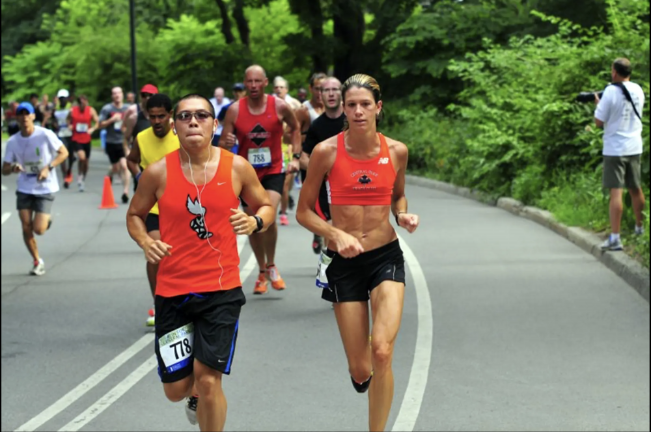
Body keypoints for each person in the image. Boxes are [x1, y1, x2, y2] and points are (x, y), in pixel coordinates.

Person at [126, 93, 275, 432]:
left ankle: (204, 389)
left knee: (209, 381)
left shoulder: (236, 166)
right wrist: (146, 241)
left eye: (202, 115)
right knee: (175, 390)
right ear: (175, 127)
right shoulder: (157, 173)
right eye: (185, 116)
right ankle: (191, 387)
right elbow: (135, 214)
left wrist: (255, 222)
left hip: (221, 290)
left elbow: (264, 205)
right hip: (172, 290)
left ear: (214, 124)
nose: (193, 121)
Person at [296, 74, 420, 432]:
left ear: (378, 108)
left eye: (366, 104)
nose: (358, 110)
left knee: (382, 350)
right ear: (342, 109)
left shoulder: (396, 151)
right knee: (361, 368)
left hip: (385, 256)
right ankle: (362, 372)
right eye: (352, 105)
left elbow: (398, 194)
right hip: (344, 263)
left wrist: (402, 214)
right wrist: (335, 233)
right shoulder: (326, 152)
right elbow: (304, 212)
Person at [220, 65, 302, 295]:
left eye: (258, 81)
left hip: (274, 169)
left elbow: (296, 128)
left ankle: (272, 264)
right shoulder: (235, 110)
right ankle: (262, 271)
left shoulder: (279, 106)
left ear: (265, 82)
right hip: (247, 174)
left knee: (267, 217)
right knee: (254, 225)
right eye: (250, 82)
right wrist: (225, 143)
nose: (254, 86)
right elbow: (223, 144)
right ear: (244, 84)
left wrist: (295, 155)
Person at [126, 94, 180, 327]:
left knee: (181, 256)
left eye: (161, 116)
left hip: (182, 205)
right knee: (156, 251)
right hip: (154, 206)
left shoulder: (182, 135)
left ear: (170, 116)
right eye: (152, 116)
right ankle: (159, 305)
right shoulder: (141, 137)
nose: (157, 121)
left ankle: (183, 302)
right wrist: (139, 175)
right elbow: (131, 160)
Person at [2, 102, 69, 276]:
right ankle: (37, 260)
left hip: (45, 187)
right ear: (16, 118)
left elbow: (64, 153)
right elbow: (4, 169)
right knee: (26, 227)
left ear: (33, 116)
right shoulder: (13, 141)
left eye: (27, 114)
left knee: (38, 229)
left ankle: (47, 220)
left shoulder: (45, 134)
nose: (24, 117)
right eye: (20, 114)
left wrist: (49, 167)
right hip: (24, 187)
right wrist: (14, 168)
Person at [595, 58, 646, 251]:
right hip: (634, 146)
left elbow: (599, 122)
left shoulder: (610, 91)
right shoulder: (639, 90)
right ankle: (640, 229)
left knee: (616, 191)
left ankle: (615, 238)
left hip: (615, 148)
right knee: (635, 188)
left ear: (615, 72)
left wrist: (598, 105)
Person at [301, 76, 345, 255]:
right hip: (326, 188)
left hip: (353, 183)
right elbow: (303, 158)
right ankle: (330, 267)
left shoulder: (353, 121)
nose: (331, 94)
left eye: (335, 89)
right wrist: (321, 170)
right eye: (327, 90)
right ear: (321, 94)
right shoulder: (317, 126)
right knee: (331, 228)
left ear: (342, 93)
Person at [273, 76, 303, 226]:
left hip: (287, 148)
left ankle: (283, 213)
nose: (278, 90)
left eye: (281, 87)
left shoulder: (294, 105)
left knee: (285, 186)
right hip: (271, 148)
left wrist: (295, 151)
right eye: (276, 87)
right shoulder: (268, 104)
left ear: (287, 89)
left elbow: (298, 128)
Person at [98, 86, 131, 203]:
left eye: (119, 93)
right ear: (112, 96)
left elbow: (133, 122)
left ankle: (125, 192)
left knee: (125, 165)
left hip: (124, 142)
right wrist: (111, 120)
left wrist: (127, 128)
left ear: (122, 94)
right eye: (114, 93)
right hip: (111, 142)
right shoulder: (107, 109)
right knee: (115, 167)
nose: (117, 95)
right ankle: (109, 176)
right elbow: (100, 124)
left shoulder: (128, 108)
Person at [124, 84, 160, 191]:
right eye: (144, 95)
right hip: (141, 164)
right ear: (141, 97)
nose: (147, 98)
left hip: (158, 161)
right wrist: (127, 151)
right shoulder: (134, 117)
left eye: (151, 95)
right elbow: (125, 138)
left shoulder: (164, 119)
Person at [68, 95, 99, 192]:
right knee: (82, 157)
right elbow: (68, 119)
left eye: (84, 102)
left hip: (87, 138)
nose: (83, 104)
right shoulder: (73, 110)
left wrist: (92, 129)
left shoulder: (91, 110)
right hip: (76, 138)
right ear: (78, 103)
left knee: (86, 162)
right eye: (81, 102)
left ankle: (82, 178)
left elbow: (97, 122)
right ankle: (79, 176)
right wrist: (70, 126)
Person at [52, 89, 75, 188]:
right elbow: (52, 120)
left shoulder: (71, 107)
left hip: (70, 134)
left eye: (63, 98)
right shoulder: (55, 108)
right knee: (63, 154)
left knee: (70, 156)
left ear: (67, 98)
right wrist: (55, 125)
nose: (62, 100)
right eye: (60, 98)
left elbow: (76, 119)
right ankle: (65, 176)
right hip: (60, 134)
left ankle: (69, 171)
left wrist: (72, 125)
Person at [216, 83, 247, 152]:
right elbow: (219, 120)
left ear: (244, 92)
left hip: (247, 138)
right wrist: (228, 124)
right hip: (233, 140)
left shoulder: (250, 106)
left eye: (240, 91)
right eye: (236, 91)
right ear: (233, 92)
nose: (237, 93)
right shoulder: (227, 107)